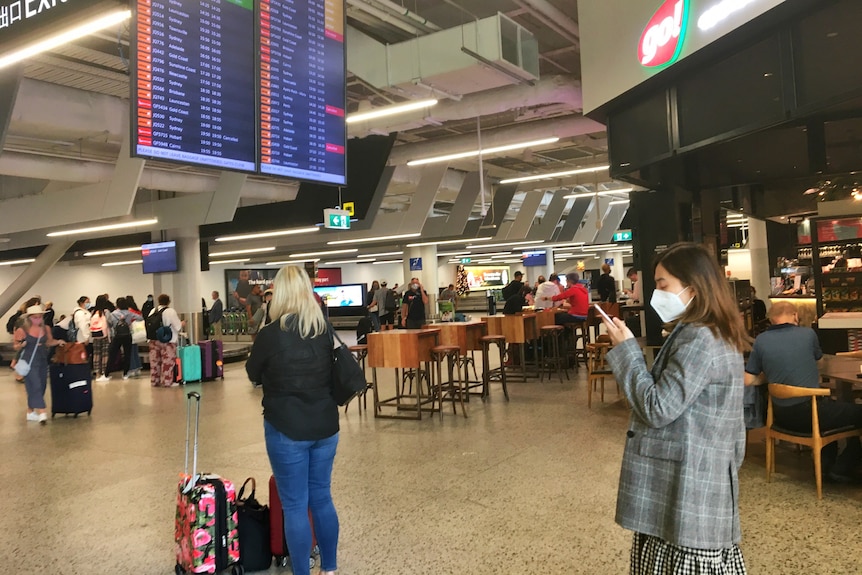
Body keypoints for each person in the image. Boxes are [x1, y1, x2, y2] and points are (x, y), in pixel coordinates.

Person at [600, 243, 749, 574]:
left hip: (686, 493)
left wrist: (626, 352)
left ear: (692, 287)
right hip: (695, 485)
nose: (656, 293)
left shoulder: (699, 338)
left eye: (663, 284)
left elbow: (656, 408)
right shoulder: (711, 332)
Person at [245, 265, 339, 575]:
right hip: (325, 427)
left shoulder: (270, 335)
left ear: (279, 294)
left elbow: (252, 374)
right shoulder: (324, 329)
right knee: (322, 497)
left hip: (286, 431)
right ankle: (331, 569)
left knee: (296, 505)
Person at [745, 301, 862, 482]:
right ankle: (843, 466)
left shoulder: (761, 340)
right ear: (795, 316)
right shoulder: (808, 334)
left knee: (833, 413)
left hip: (780, 416)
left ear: (771, 319)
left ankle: (826, 467)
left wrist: (776, 374)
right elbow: (821, 363)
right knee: (855, 413)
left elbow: (748, 380)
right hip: (810, 413)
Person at [13, 304, 65, 423]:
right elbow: (15, 346)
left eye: (40, 317)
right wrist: (21, 345)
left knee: (41, 385)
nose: (38, 319)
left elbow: (49, 342)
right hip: (28, 360)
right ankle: (42, 412)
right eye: (35, 317)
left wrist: (58, 342)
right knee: (35, 383)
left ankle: (30, 411)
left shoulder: (45, 328)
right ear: (29, 318)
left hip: (42, 359)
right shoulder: (22, 330)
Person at [148, 294, 184, 388]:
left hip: (153, 340)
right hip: (168, 340)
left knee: (155, 362)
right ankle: (167, 382)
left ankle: (154, 381)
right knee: (167, 362)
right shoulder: (170, 311)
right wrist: (182, 323)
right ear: (168, 302)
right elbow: (178, 326)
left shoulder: (153, 311)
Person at [106, 297, 141, 381]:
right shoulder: (129, 313)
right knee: (127, 354)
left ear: (117, 305)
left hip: (117, 336)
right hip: (127, 335)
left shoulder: (113, 314)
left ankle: (107, 373)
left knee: (112, 354)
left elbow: (109, 324)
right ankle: (125, 373)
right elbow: (140, 318)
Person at [90, 302, 111, 382]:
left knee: (96, 354)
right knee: (105, 354)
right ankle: (104, 373)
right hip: (103, 336)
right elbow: (106, 325)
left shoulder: (93, 313)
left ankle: (97, 373)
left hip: (95, 336)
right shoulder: (104, 313)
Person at [125, 295, 144, 377]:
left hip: (131, 332)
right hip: (138, 333)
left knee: (130, 351)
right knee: (135, 351)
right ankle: (138, 367)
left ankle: (132, 368)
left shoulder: (129, 311)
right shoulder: (137, 310)